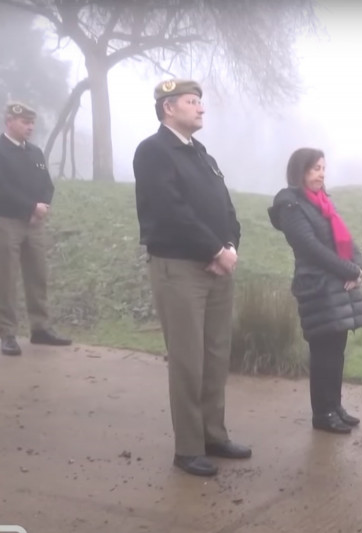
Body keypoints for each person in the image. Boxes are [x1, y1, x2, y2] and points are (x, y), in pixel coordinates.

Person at [132, 78, 250, 477]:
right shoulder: (153, 152)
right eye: (192, 101)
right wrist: (214, 250)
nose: (201, 108)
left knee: (216, 356)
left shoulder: (201, 154)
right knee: (188, 360)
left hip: (218, 268)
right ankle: (188, 448)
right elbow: (170, 210)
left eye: (200, 102)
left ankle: (213, 435)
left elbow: (225, 206)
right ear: (169, 107)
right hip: (180, 268)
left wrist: (230, 245)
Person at [268, 148, 362, 434]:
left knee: (336, 350)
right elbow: (309, 247)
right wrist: (348, 271)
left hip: (337, 285)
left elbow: (347, 240)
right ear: (300, 172)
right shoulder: (290, 206)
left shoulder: (324, 202)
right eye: (315, 169)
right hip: (316, 287)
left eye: (323, 168)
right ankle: (322, 414)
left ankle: (335, 406)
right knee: (323, 351)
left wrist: (357, 267)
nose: (321, 174)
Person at [0, 101, 72, 356]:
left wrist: (43, 205)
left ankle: (40, 328)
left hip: (35, 224)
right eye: (24, 122)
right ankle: (7, 333)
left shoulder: (35, 153)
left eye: (32, 123)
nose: (30, 127)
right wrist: (30, 206)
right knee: (6, 279)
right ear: (9, 121)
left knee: (38, 276)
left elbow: (46, 185)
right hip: (7, 221)